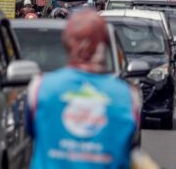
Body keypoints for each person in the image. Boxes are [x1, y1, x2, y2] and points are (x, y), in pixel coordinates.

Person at [26, 10, 141, 169]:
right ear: (104, 45)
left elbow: (32, 134)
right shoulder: (128, 96)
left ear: (66, 42)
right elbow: (130, 146)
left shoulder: (39, 88)